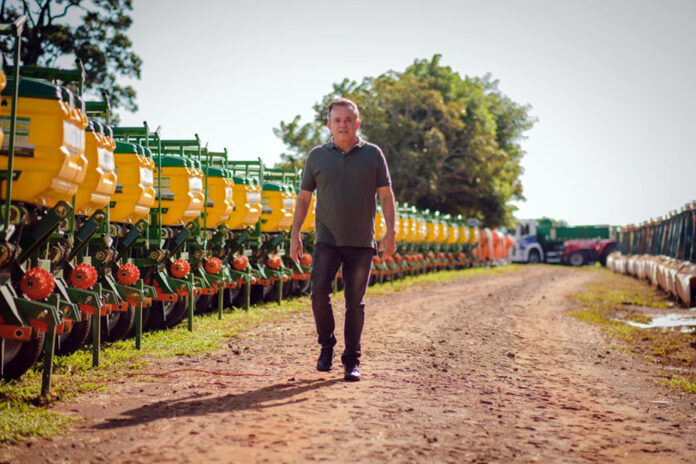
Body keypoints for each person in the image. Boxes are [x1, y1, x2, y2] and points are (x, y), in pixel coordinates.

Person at [289, 98, 396, 382]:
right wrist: (295, 233)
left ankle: (352, 361)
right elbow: (303, 198)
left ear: (357, 123)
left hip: (362, 241)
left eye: (348, 120)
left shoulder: (373, 154)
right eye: (337, 120)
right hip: (327, 238)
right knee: (318, 293)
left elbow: (386, 195)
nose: (343, 125)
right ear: (329, 125)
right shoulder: (316, 156)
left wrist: (391, 231)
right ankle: (326, 346)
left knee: (354, 302)